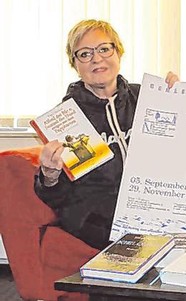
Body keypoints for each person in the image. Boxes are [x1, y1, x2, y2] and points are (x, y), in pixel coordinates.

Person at [34, 19, 178, 250]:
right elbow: (57, 198)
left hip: (153, 205)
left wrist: (182, 100)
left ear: (118, 52)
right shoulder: (65, 119)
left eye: (104, 49)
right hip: (98, 218)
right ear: (75, 64)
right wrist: (49, 176)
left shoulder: (149, 97)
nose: (96, 59)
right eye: (84, 54)